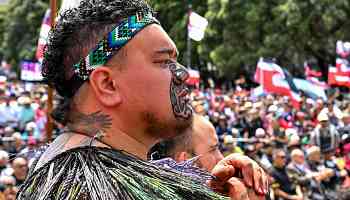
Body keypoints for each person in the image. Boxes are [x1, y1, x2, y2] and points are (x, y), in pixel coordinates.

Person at [17, 0, 268, 199]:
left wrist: (208, 191)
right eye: (163, 61)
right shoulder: (85, 189)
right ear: (107, 84)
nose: (182, 74)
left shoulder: (91, 171)